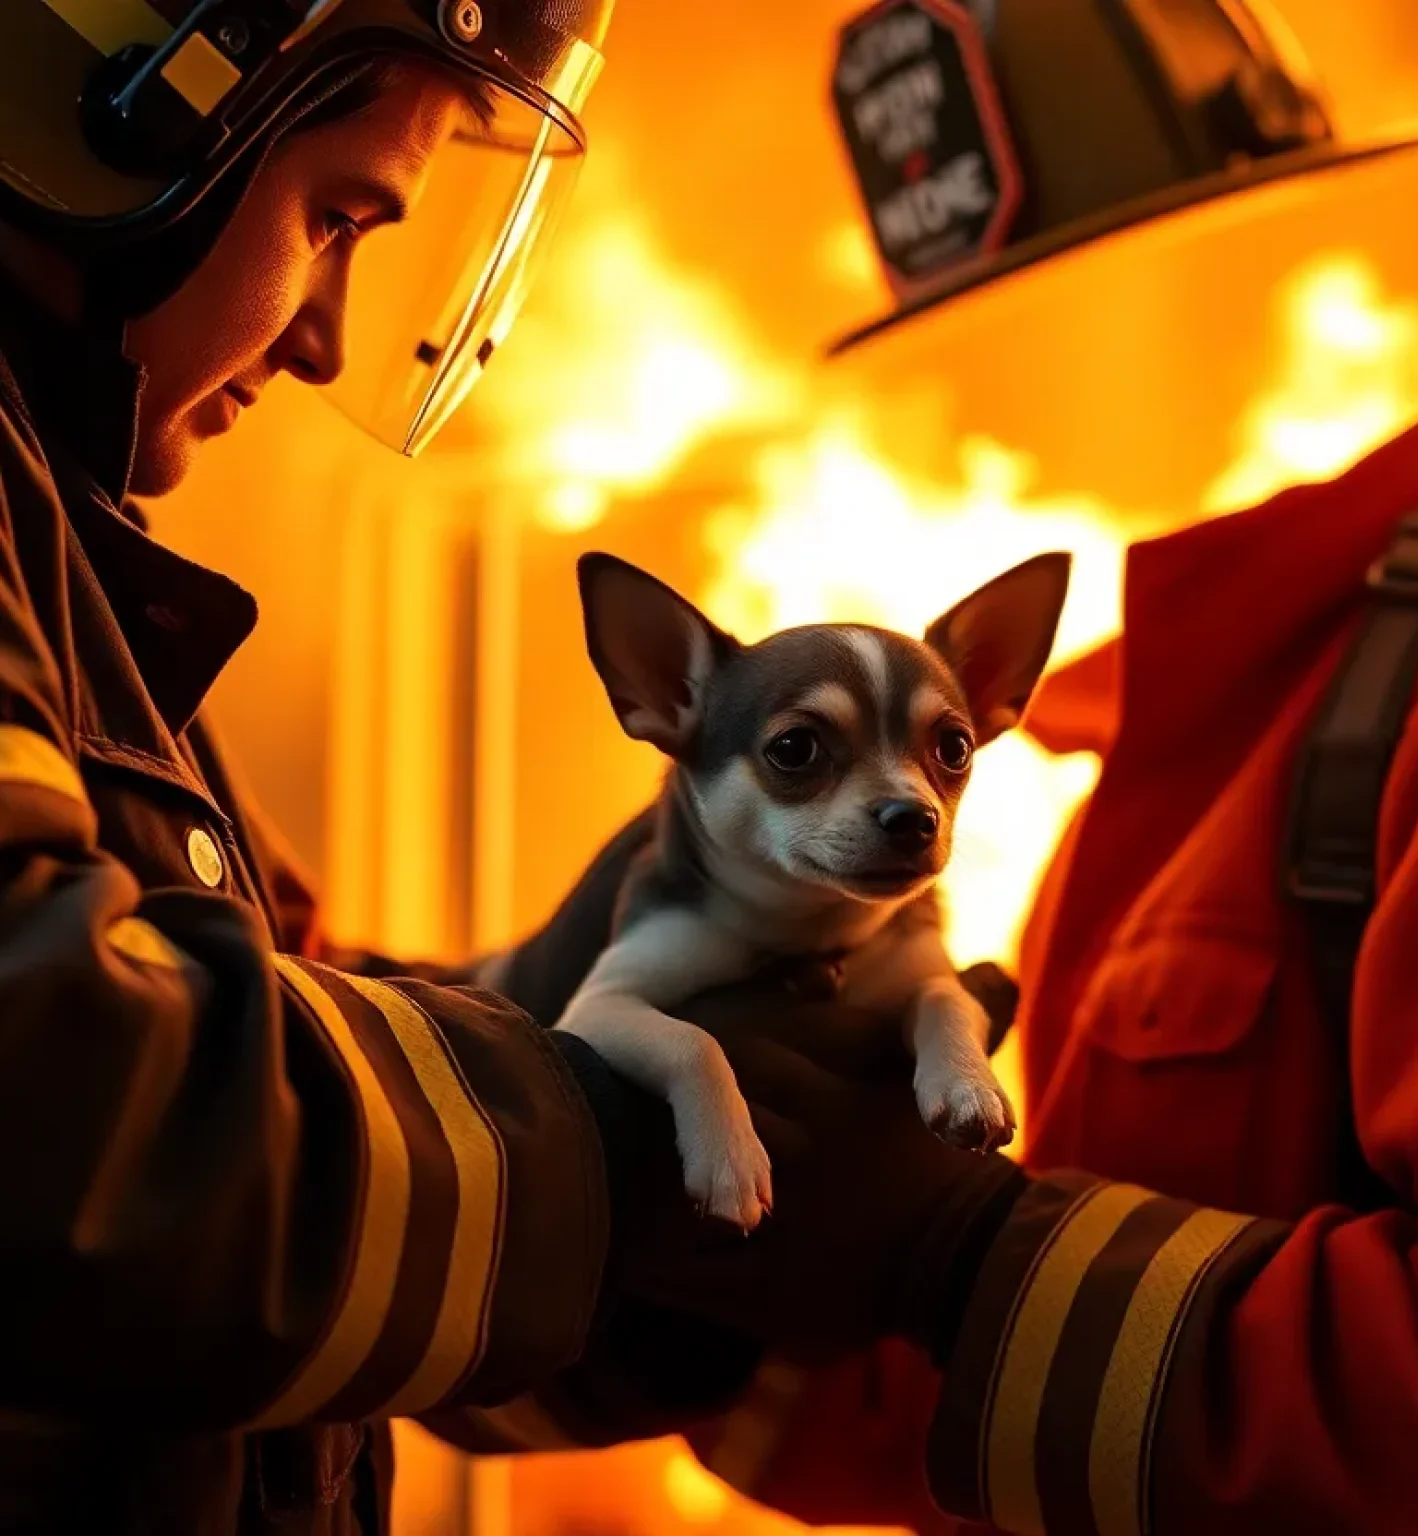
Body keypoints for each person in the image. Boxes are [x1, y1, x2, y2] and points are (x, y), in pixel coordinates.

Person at [500, 5, 1418, 1535]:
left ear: (1315, 259)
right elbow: (977, 1413)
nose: (1018, 383)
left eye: (1103, 290)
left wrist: (970, 1262)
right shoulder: (1196, 719)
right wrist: (673, 1255)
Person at [0, 1, 1001, 1530]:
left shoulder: (77, 577)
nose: (327, 332)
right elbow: (68, 1128)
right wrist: (612, 1151)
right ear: (110, 99)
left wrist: (712, 1228)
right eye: (335, 216)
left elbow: (297, 1188)